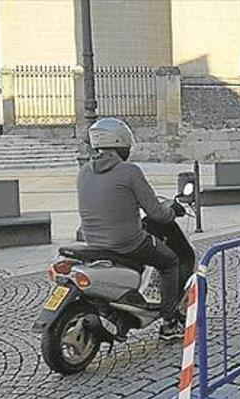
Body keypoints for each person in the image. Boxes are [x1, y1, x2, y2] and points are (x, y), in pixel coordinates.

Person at [77, 118, 186, 339]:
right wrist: (173, 211)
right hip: (127, 242)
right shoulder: (129, 171)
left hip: (93, 242)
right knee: (170, 262)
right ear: (121, 143)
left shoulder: (85, 172)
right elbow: (156, 214)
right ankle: (169, 322)